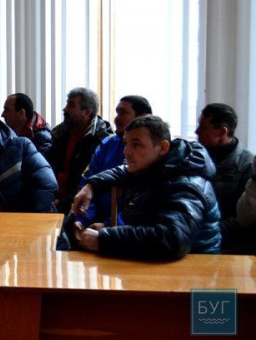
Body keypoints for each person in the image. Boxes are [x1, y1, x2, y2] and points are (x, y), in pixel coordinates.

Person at [71, 115, 221, 260]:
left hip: (195, 268)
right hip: (158, 261)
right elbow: (122, 170)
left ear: (163, 147)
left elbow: (172, 239)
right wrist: (91, 186)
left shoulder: (187, 183)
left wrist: (105, 239)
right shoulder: (156, 166)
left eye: (136, 145)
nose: (126, 152)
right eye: (126, 143)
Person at [74, 95, 152, 226]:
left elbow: (141, 205)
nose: (116, 119)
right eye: (117, 113)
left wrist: (109, 226)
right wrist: (82, 221)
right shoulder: (107, 145)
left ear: (143, 117)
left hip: (126, 229)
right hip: (94, 223)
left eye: (123, 113)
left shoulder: (152, 152)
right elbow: (88, 181)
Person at [195, 103, 254, 253]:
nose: (196, 131)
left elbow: (241, 218)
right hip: (195, 236)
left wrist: (207, 233)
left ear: (222, 132)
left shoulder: (247, 165)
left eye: (203, 128)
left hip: (229, 246)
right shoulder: (196, 158)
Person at [47, 87, 113, 214]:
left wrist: (63, 202)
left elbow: (90, 180)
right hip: (53, 200)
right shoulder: (59, 133)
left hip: (81, 206)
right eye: (67, 104)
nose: (65, 109)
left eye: (71, 105)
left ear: (87, 112)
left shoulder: (102, 140)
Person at [1, 93, 52, 158]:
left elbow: (40, 162)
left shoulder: (42, 138)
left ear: (21, 113)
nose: (2, 115)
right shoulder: (5, 134)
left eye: (7, 110)